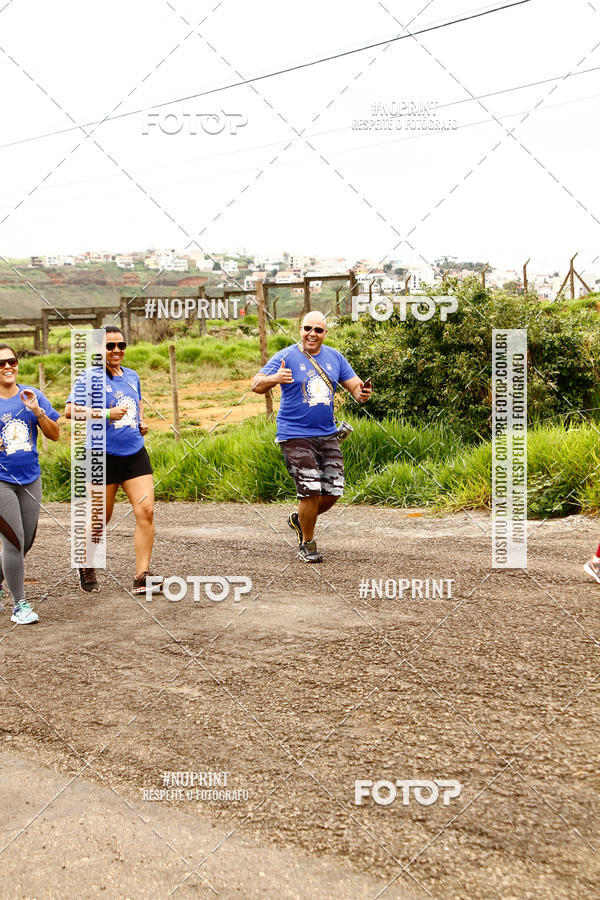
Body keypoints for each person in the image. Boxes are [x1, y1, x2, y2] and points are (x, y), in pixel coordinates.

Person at [251, 311, 372, 562]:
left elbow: (356, 388)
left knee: (334, 490)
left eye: (318, 330)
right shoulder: (286, 356)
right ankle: (308, 543)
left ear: (325, 333)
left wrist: (363, 394)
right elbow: (256, 384)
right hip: (293, 433)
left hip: (327, 433)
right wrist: (275, 378)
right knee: (309, 490)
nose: (312, 334)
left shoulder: (335, 357)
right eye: (308, 328)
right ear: (300, 329)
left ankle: (299, 519)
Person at [65, 326, 161, 595]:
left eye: (121, 345)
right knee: (100, 518)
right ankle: (86, 560)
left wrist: (140, 422)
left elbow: (137, 401)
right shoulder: (89, 377)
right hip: (102, 456)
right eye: (110, 346)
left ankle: (142, 575)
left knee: (147, 512)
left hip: (134, 454)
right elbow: (70, 411)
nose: (117, 350)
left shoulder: (131, 375)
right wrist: (106, 413)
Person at [0, 344, 61, 624]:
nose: (7, 367)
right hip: (2, 482)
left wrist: (38, 412)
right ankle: (19, 605)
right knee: (14, 541)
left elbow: (55, 434)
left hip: (30, 479)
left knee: (26, 541)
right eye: (0, 364)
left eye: (11, 361)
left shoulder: (31, 395)